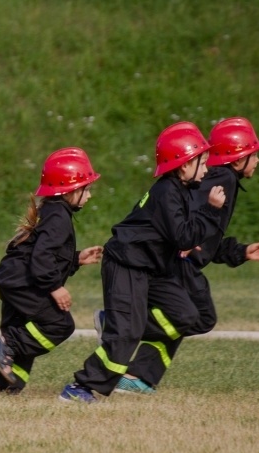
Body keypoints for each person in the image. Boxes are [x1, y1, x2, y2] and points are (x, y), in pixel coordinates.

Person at [96, 117, 259, 394]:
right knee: (197, 317)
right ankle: (118, 326)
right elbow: (189, 219)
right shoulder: (223, 178)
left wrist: (238, 251)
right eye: (254, 154)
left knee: (191, 318)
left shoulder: (221, 178)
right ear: (239, 158)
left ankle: (139, 375)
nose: (258, 160)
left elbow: (207, 235)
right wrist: (184, 241)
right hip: (181, 263)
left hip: (184, 260)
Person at [59, 122, 226, 403]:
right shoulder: (167, 192)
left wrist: (188, 238)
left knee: (187, 315)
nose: (207, 169)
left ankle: (114, 323)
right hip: (126, 264)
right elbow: (184, 236)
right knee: (126, 333)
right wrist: (211, 211)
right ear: (184, 164)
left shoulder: (181, 189)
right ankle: (80, 387)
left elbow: (179, 234)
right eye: (202, 161)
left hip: (154, 268)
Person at [0, 148, 103, 395]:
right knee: (59, 325)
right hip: (24, 283)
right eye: (86, 189)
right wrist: (55, 287)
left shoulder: (52, 210)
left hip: (14, 280)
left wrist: (77, 259)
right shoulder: (59, 217)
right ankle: (7, 345)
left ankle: (0, 384)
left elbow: (45, 253)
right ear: (69, 190)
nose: (89, 195)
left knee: (24, 328)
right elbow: (41, 257)